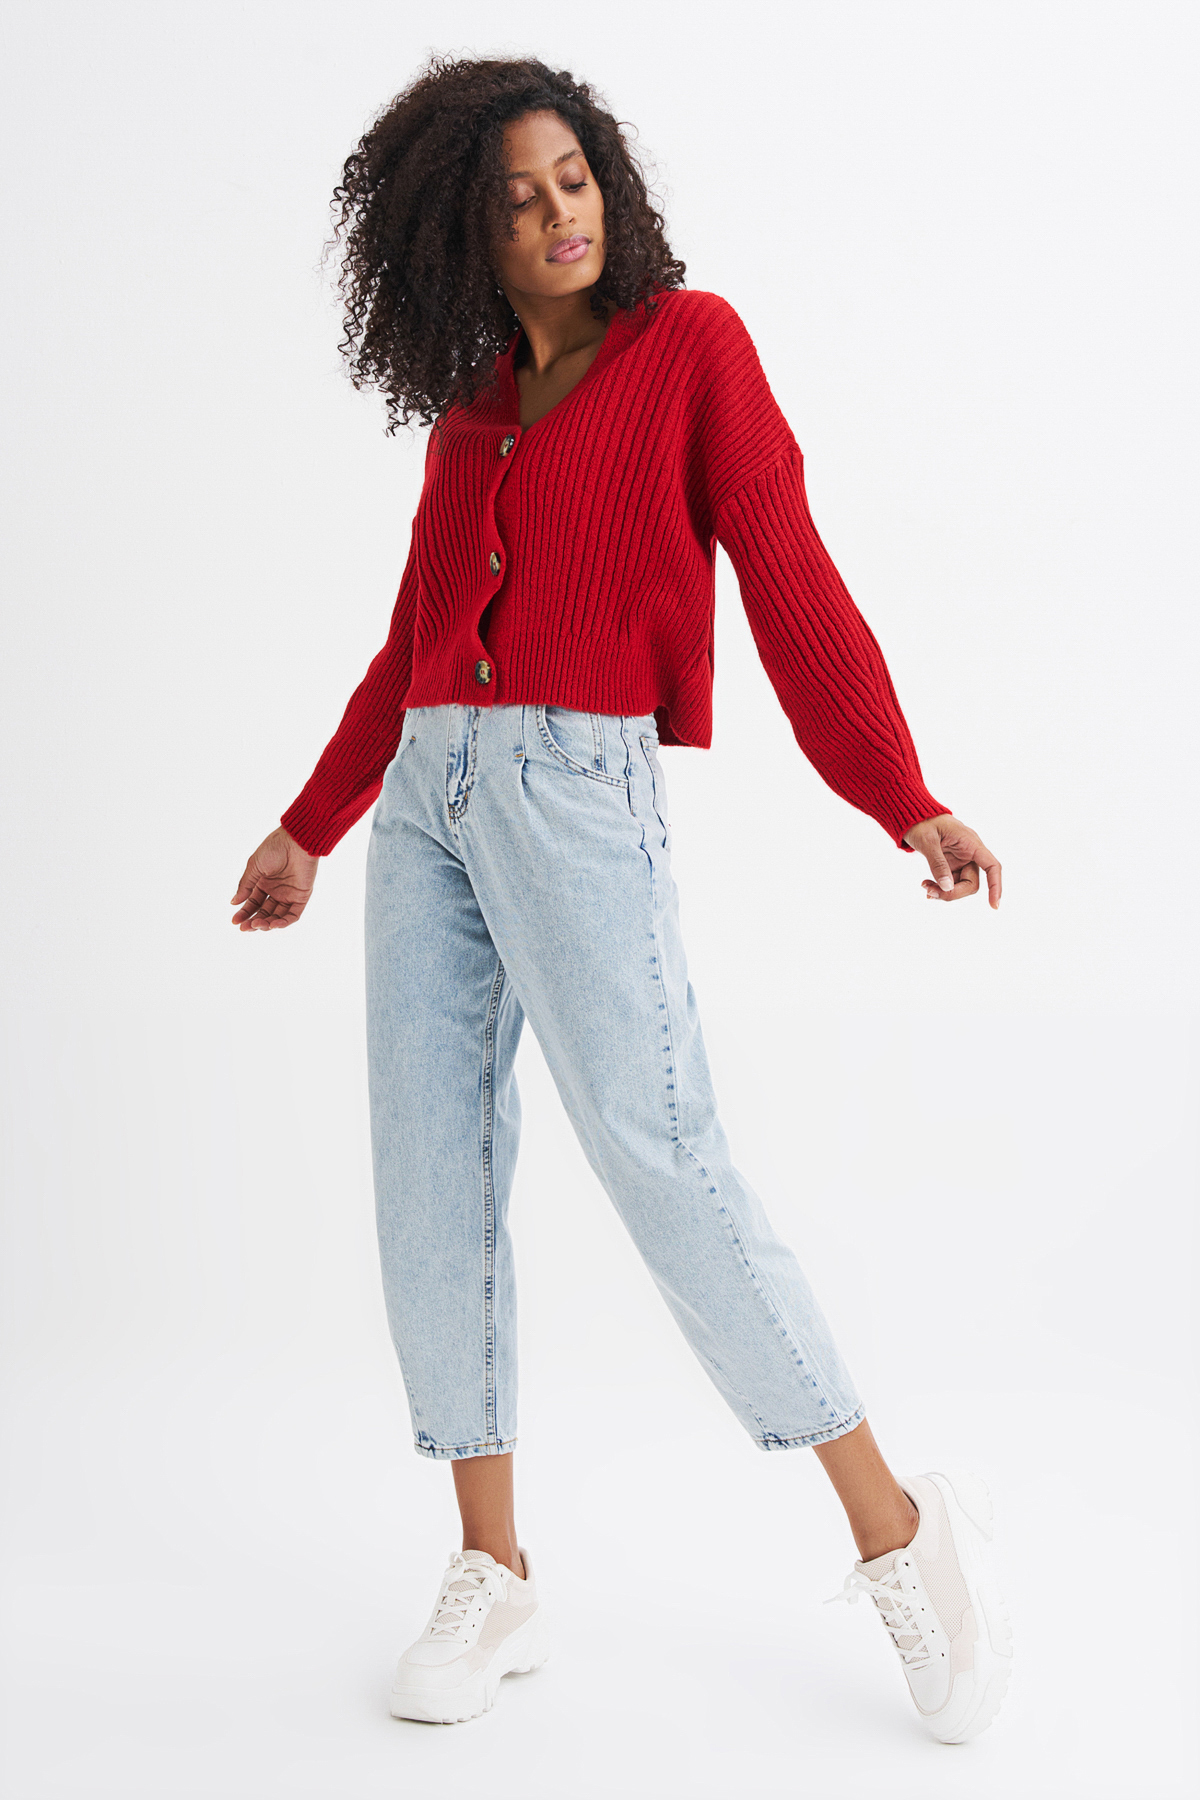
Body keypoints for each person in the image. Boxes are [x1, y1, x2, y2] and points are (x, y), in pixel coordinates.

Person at [230, 54, 1010, 1740]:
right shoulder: (471, 406)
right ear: (468, 231)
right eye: (516, 197)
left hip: (577, 794)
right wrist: (310, 823)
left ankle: (898, 1530)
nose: (556, 214)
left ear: (611, 185)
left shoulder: (691, 349)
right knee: (429, 1178)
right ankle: (493, 1569)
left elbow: (788, 566)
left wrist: (901, 791)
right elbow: (414, 641)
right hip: (428, 800)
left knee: (664, 1160)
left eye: (572, 178)